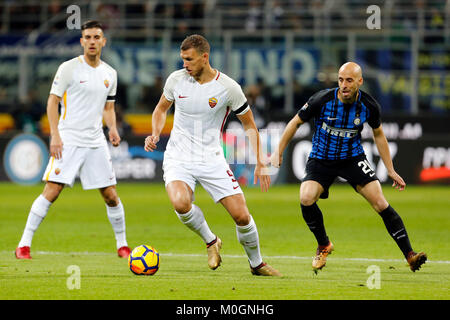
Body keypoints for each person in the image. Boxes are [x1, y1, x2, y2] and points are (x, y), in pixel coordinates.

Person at [144, 34, 280, 276]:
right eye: (182, 59)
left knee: (241, 215)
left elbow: (249, 124)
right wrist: (155, 133)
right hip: (179, 156)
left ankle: (257, 264)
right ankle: (210, 241)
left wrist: (260, 160)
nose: (184, 64)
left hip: (211, 158)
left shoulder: (228, 88)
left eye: (189, 59)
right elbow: (160, 109)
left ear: (204, 57)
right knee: (180, 203)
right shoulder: (176, 80)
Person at [271, 62, 427, 273]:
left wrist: (390, 169)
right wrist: (278, 151)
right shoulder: (321, 99)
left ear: (360, 82)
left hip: (352, 159)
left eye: (349, 80)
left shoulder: (369, 105)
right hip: (321, 159)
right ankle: (324, 244)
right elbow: (295, 123)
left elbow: (378, 134)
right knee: (306, 198)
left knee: (381, 203)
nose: (344, 85)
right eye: (341, 80)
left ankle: (410, 255)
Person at [15, 21, 131, 259]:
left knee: (110, 194)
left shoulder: (110, 73)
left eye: (96, 37)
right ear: (81, 41)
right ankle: (23, 245)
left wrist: (113, 129)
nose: (92, 41)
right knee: (52, 190)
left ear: (103, 41)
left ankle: (122, 245)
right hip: (68, 138)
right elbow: (52, 102)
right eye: (87, 37)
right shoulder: (68, 68)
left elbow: (109, 107)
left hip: (96, 140)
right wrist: (55, 135)